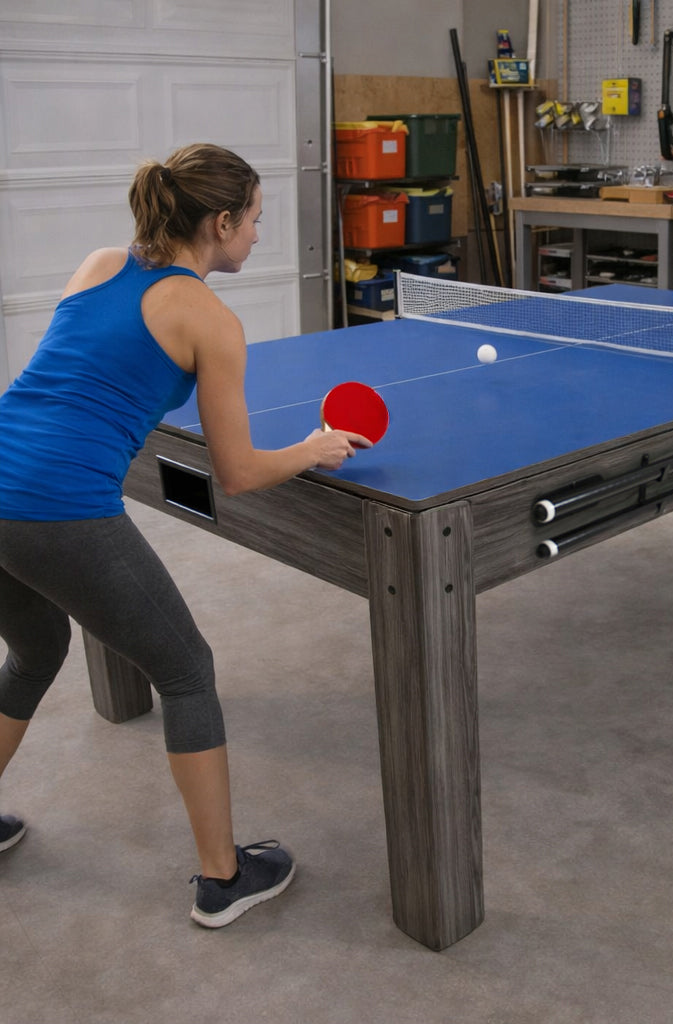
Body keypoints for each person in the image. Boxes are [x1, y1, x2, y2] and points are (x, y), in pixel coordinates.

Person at [0, 143, 371, 926]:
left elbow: (86, 374)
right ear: (222, 221)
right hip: (56, 505)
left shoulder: (102, 263)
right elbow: (235, 473)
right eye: (257, 223)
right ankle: (221, 877)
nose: (260, 238)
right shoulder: (209, 318)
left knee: (36, 649)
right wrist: (312, 447)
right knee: (187, 668)